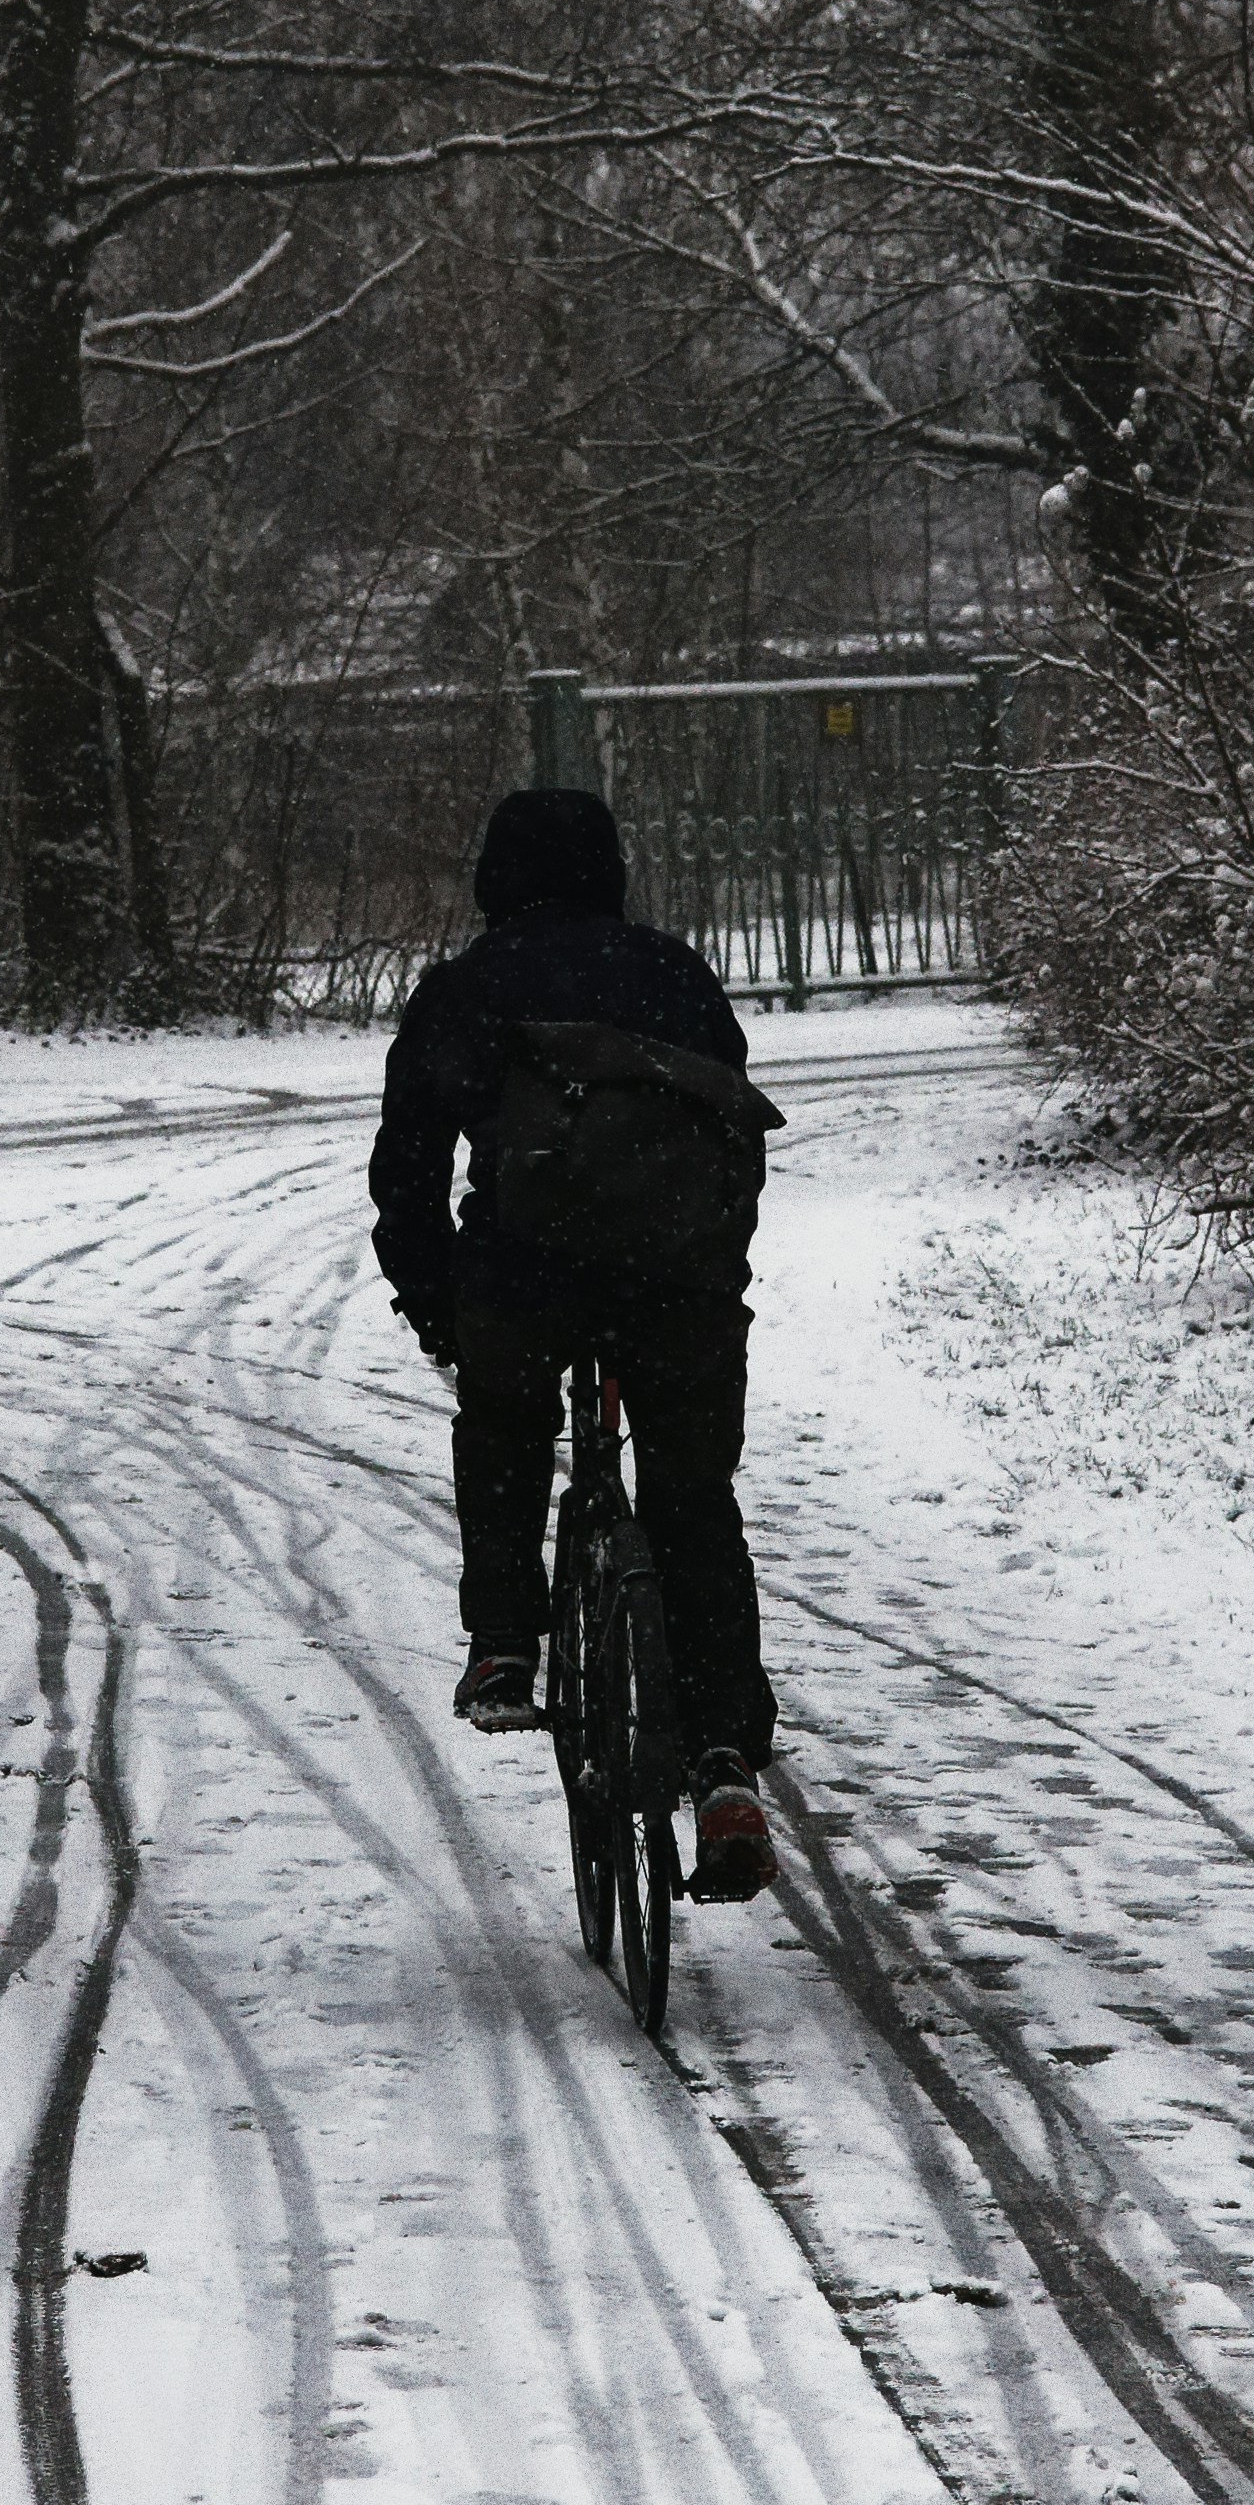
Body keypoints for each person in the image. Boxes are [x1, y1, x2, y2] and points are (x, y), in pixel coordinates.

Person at [369, 784, 779, 1900]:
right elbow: (732, 1129)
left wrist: (435, 1305)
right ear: (613, 868)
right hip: (679, 1284)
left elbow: (407, 1168)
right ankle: (724, 1756)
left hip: (526, 1278)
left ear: (494, 877)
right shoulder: (677, 974)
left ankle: (506, 1640)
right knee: (691, 1499)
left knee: (504, 1420)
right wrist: (710, 1277)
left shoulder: (469, 989)